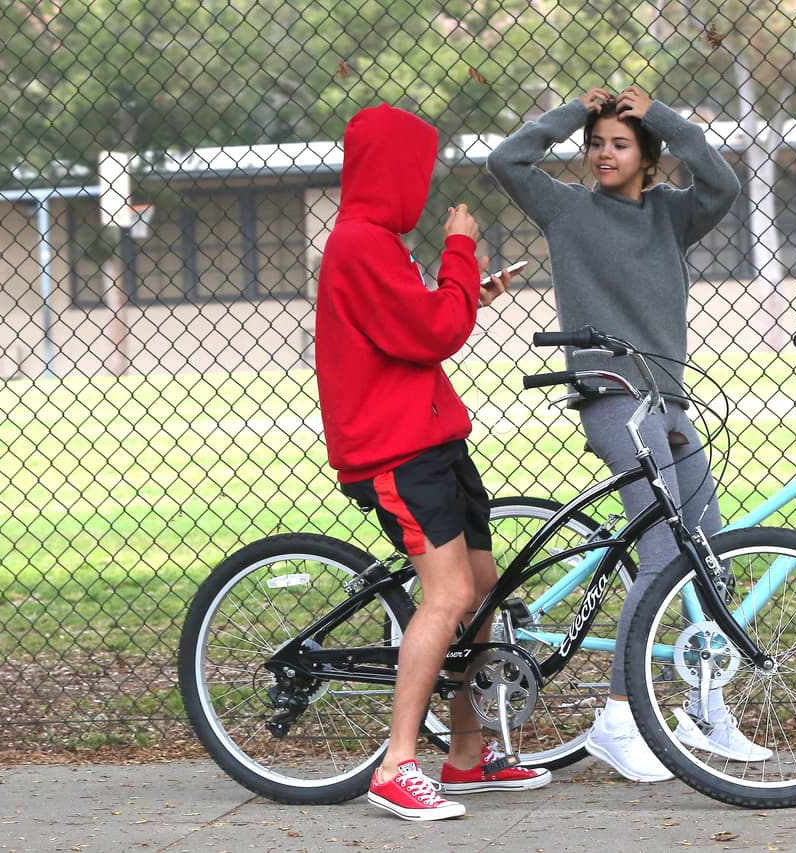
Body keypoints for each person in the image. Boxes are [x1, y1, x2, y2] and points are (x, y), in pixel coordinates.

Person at [487, 85, 772, 782]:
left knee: (711, 554)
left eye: (619, 143)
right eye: (595, 144)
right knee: (663, 551)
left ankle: (704, 707)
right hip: (614, 398)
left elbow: (723, 183)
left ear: (648, 156)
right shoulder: (567, 209)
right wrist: (571, 116)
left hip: (669, 401)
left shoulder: (672, 214)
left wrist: (664, 116)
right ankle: (618, 716)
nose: (602, 154)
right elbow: (506, 160)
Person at [315, 103, 549, 821]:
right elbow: (434, 333)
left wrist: (469, 290)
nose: (424, 189)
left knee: (480, 589)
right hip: (396, 451)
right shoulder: (360, 244)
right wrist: (459, 252)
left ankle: (467, 755)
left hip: (432, 439)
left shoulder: (380, 244)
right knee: (446, 595)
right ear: (391, 172)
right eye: (418, 173)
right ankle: (396, 765)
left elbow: (418, 325)